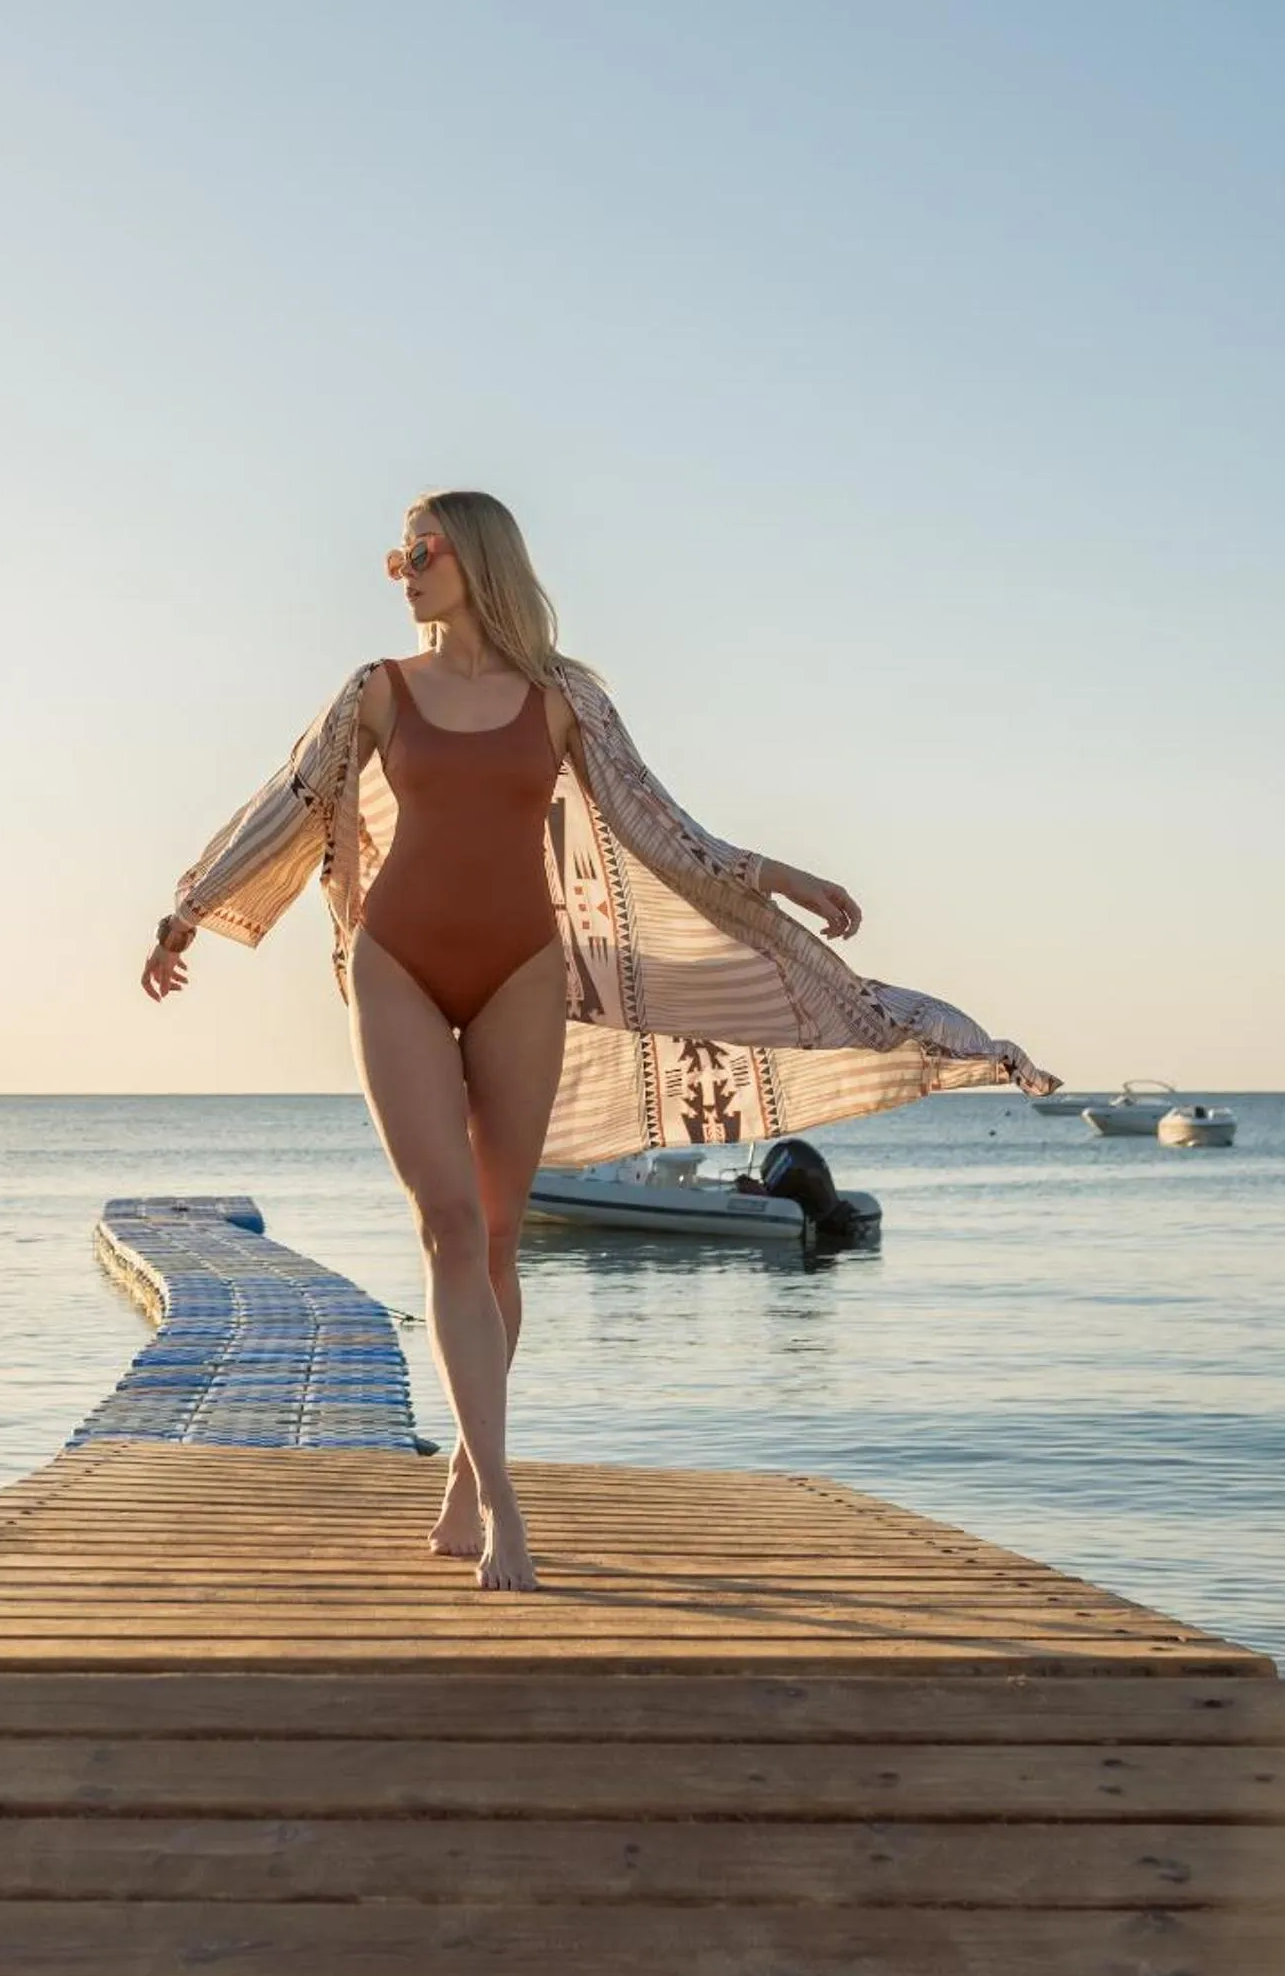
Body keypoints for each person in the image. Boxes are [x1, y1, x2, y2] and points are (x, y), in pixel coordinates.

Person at [141, 490, 1053, 1593]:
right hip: (397, 970)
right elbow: (285, 803)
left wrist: (786, 877)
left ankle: (464, 1488)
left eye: (418, 549)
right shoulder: (377, 693)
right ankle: (505, 1499)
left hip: (523, 972)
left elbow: (664, 833)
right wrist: (188, 912)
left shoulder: (562, 701)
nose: (400, 568)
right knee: (445, 1223)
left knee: (497, 1238)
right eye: (394, 554)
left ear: (476, 558)